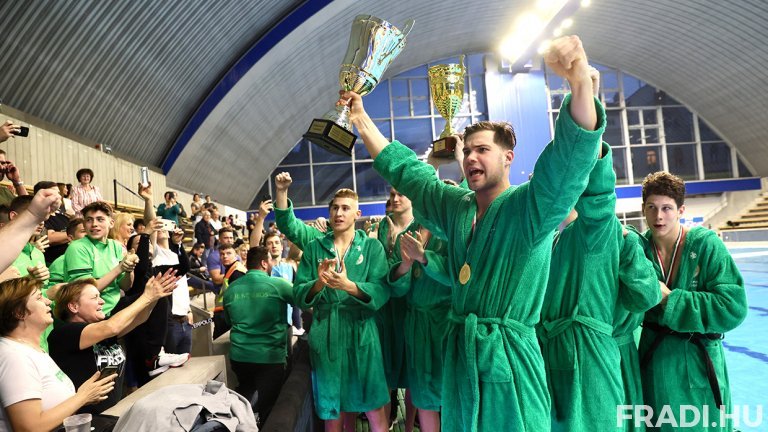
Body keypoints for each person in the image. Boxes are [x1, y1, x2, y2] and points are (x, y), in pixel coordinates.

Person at [349, 35, 604, 431]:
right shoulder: (457, 206)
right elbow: (409, 173)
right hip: (461, 360)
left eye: (482, 149)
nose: (470, 157)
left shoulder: (530, 207)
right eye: (467, 151)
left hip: (510, 364)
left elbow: (567, 162)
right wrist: (362, 118)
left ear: (508, 157)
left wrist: (580, 84)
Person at [538, 141, 663, 431]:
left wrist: (588, 140)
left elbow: (646, 296)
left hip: (605, 355)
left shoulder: (611, 234)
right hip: (558, 356)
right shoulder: (552, 242)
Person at [633, 171, 747, 432]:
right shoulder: (639, 249)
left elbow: (733, 307)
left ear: (680, 210)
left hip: (698, 362)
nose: (659, 216)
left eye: (666, 208)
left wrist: (670, 299)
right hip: (655, 362)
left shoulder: (706, 246)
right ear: (643, 209)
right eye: (651, 207)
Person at [294, 188, 391, 432]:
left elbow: (382, 289)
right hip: (328, 332)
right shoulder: (314, 248)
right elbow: (298, 293)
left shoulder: (372, 247)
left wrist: (350, 286)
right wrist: (319, 283)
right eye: (335, 208)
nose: (339, 213)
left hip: (362, 332)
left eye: (345, 208)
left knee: (374, 406)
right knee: (332, 409)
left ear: (357, 213)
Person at [48, 272, 178, 413]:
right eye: (94, 297)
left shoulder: (102, 328)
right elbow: (112, 327)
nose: (102, 301)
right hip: (86, 419)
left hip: (112, 412)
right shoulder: (64, 333)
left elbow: (140, 318)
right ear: (74, 307)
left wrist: (155, 297)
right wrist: (146, 297)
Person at [0, 276, 116, 431]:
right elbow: (29, 428)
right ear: (19, 312)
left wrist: (84, 397)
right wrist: (82, 397)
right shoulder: (14, 356)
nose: (48, 301)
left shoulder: (31, 350)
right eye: (39, 298)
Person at [224, 246, 294, 427]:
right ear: (264, 263)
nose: (272, 264)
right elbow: (303, 300)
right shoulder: (279, 284)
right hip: (270, 359)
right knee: (269, 409)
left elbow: (228, 320)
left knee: (244, 404)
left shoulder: (231, 289)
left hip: (240, 358)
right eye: (270, 261)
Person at [64, 201, 139, 317]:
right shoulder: (77, 247)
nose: (94, 224)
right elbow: (85, 292)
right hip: (93, 311)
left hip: (116, 304)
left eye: (100, 219)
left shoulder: (115, 246)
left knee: (156, 297)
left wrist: (129, 269)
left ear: (111, 223)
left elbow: (125, 286)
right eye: (89, 220)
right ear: (84, 224)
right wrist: (120, 268)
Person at [212, 244, 247, 338]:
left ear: (236, 255)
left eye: (228, 253)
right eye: (222, 254)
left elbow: (238, 300)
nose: (225, 256)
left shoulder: (237, 272)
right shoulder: (231, 269)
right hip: (224, 314)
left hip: (227, 317)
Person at [35, 181, 71, 265]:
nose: (59, 196)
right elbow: (49, 237)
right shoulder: (40, 217)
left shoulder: (64, 217)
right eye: (54, 193)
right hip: (52, 264)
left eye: (58, 193)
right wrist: (74, 234)